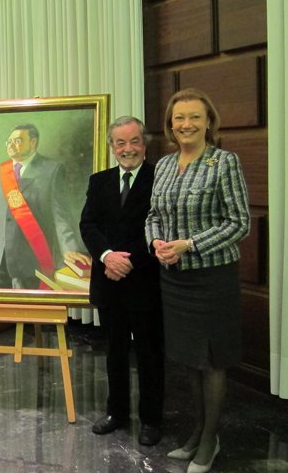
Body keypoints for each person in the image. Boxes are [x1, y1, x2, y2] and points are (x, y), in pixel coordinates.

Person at [145, 88, 250, 473]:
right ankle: (198, 430)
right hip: (175, 280)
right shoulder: (165, 165)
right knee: (190, 358)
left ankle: (210, 440)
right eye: (179, 118)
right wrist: (154, 240)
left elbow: (240, 222)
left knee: (212, 360)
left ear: (209, 122)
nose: (186, 124)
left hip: (212, 278)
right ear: (170, 126)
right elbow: (153, 214)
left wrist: (189, 244)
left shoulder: (224, 163)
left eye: (194, 117)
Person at [79, 116, 164, 446]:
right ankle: (116, 412)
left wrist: (126, 260)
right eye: (120, 142)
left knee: (149, 352)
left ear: (144, 144)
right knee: (114, 350)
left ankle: (151, 420)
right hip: (109, 279)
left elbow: (161, 226)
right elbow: (88, 225)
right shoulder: (98, 181)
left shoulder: (160, 178)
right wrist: (106, 257)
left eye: (133, 141)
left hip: (145, 278)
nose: (127, 148)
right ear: (111, 147)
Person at [0, 123, 89, 289]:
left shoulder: (52, 170)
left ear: (33, 142)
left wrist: (69, 248)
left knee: (26, 311)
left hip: (30, 258)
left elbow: (60, 214)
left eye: (17, 140)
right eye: (8, 141)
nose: (11, 145)